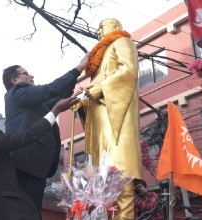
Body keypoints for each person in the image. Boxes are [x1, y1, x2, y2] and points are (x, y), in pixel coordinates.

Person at [2, 53, 89, 215]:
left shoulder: (34, 105)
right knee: (27, 212)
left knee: (33, 211)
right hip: (24, 166)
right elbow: (50, 89)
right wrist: (80, 67)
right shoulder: (18, 92)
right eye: (26, 74)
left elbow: (58, 97)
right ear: (14, 81)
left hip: (35, 170)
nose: (31, 76)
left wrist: (75, 80)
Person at [72, 18, 142, 219]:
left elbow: (128, 70)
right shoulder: (99, 59)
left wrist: (102, 87)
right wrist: (83, 101)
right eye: (98, 29)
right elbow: (95, 90)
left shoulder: (122, 42)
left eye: (102, 28)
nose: (99, 32)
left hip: (117, 121)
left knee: (121, 184)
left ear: (115, 27)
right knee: (102, 192)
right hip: (100, 125)